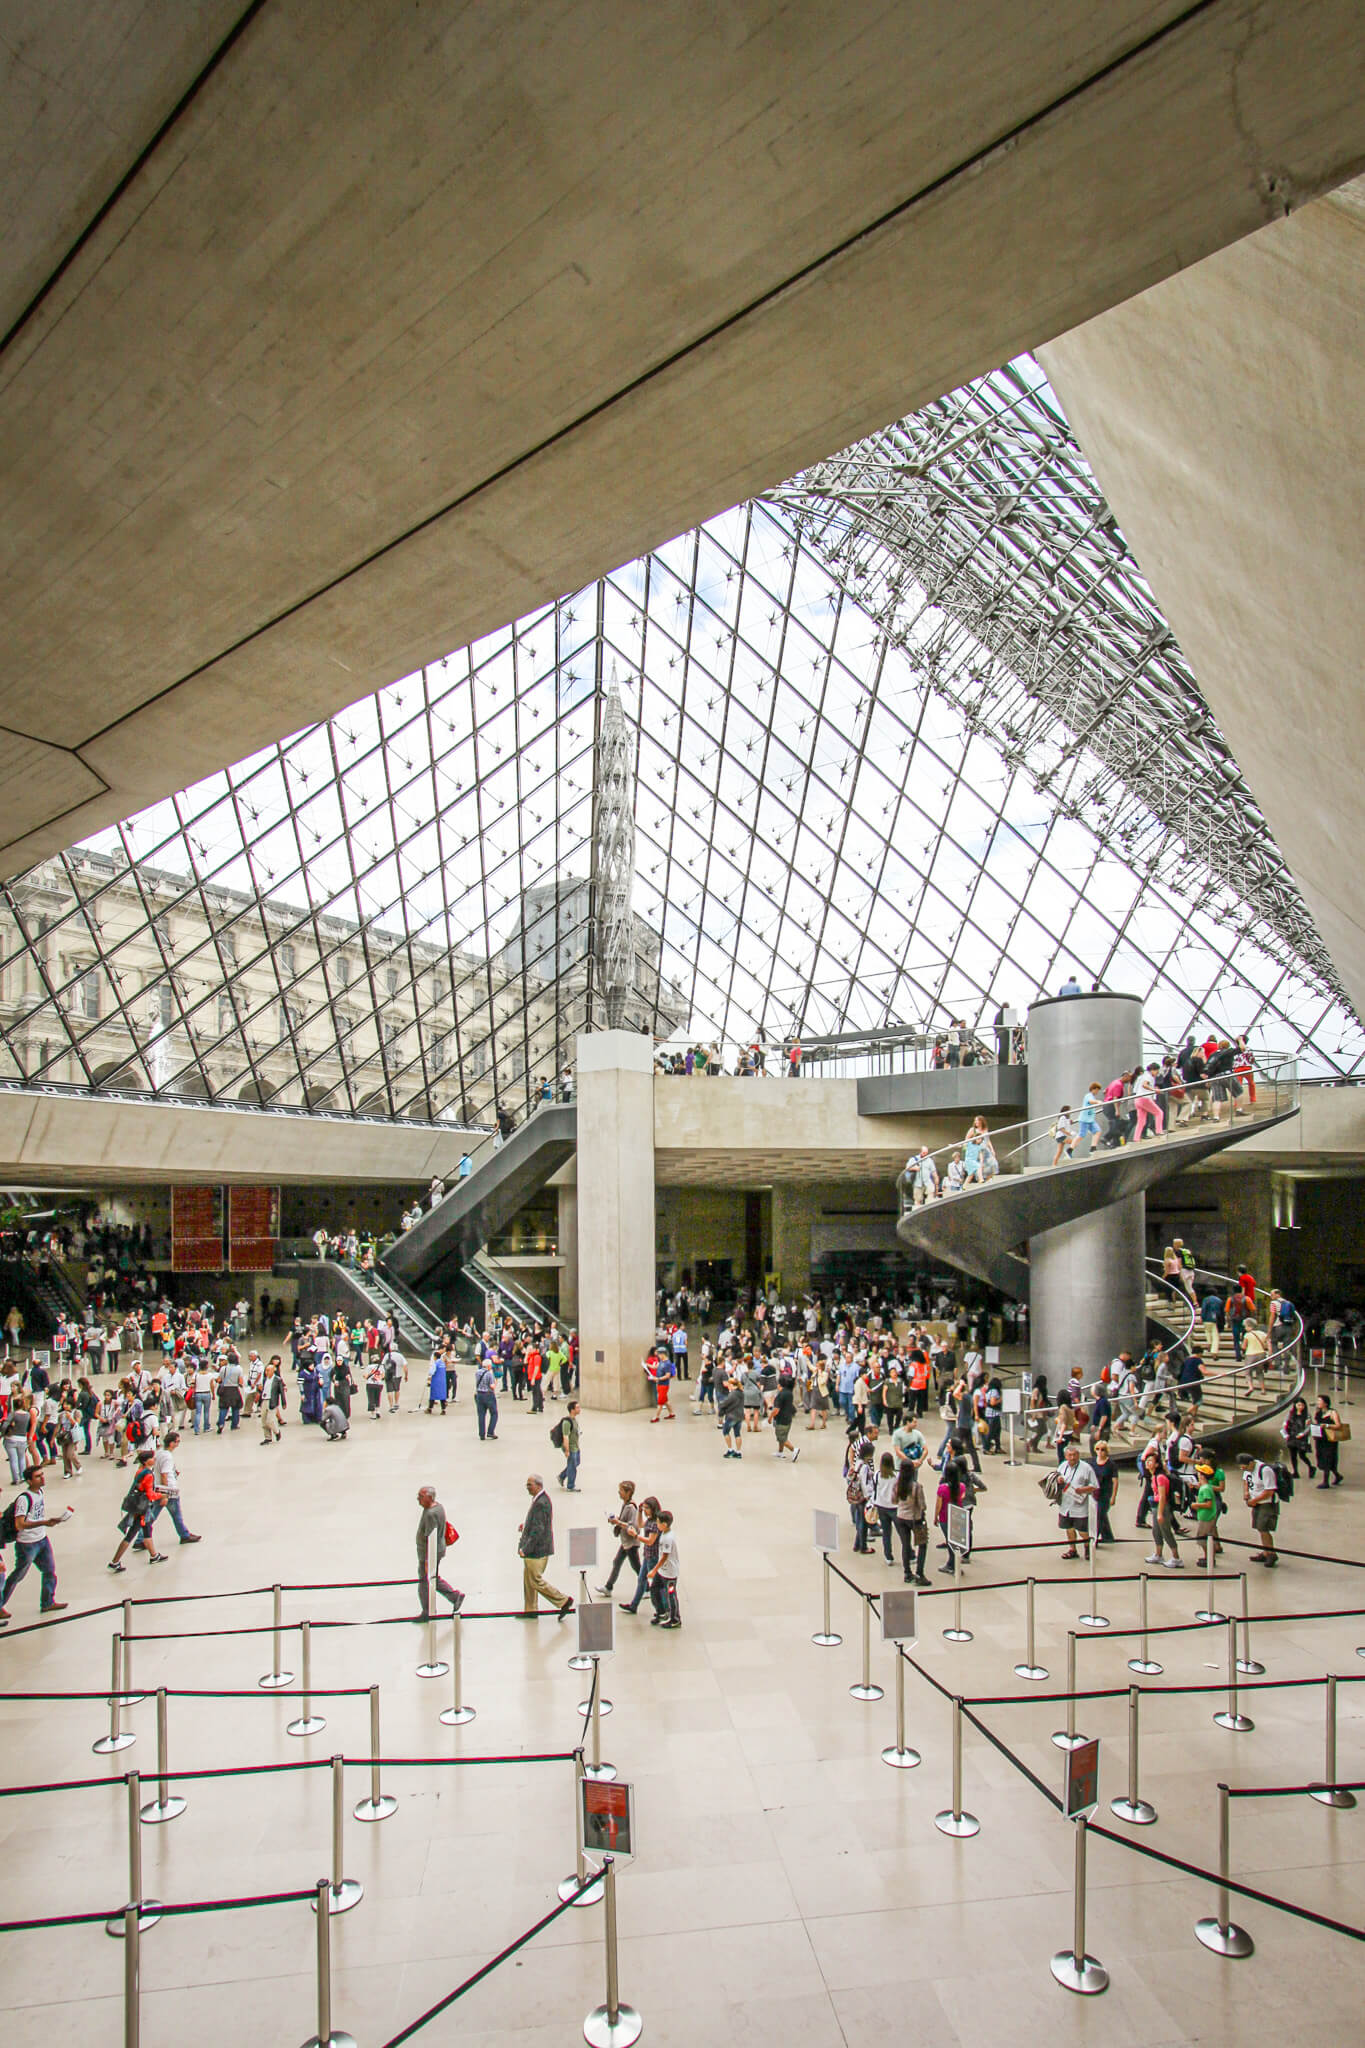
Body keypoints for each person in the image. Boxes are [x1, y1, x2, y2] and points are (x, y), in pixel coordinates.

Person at [0, 1464, 72, 1617]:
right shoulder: (24, 1500)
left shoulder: (39, 1492)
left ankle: (47, 1602)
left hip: (42, 1539)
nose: (42, 1478)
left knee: (49, 1571)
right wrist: (44, 1522)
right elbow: (20, 1524)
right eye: (38, 1476)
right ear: (29, 1481)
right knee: (18, 1575)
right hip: (27, 1544)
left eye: (42, 1474)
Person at [517, 1474, 572, 1617]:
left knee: (535, 1581)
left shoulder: (541, 1502)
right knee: (528, 1582)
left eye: (530, 1484)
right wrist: (526, 1526)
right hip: (536, 1549)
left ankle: (563, 1600)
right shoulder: (540, 1500)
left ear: (538, 1485)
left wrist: (525, 1548)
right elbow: (537, 1523)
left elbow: (539, 1529)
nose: (527, 1487)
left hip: (537, 1551)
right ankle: (530, 1611)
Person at [108, 1446, 167, 1569]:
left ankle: (153, 1555)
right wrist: (162, 1495)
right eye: (152, 1457)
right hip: (142, 1509)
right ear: (146, 1461)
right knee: (131, 1534)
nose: (154, 1459)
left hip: (139, 1507)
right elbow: (150, 1494)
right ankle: (115, 1561)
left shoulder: (140, 1471)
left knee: (147, 1530)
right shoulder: (149, 1475)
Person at [415, 1485, 464, 1618]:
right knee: (432, 1578)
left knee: (427, 1580)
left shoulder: (430, 1514)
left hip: (430, 1553)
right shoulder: (438, 1507)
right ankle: (451, 1598)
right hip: (437, 1550)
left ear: (429, 1498)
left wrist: (426, 1560)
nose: (418, 1499)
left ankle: (429, 1609)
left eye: (420, 1496)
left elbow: (431, 1537)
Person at [151, 1432, 201, 1544]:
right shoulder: (168, 1457)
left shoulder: (159, 1453)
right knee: (176, 1514)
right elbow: (164, 1474)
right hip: (169, 1490)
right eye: (177, 1441)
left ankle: (141, 1538)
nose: (178, 1444)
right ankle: (184, 1535)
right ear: (171, 1443)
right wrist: (166, 1493)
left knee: (154, 1513)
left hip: (159, 1488)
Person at [597, 1480, 641, 1596]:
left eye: (621, 1490)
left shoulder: (631, 1508)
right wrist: (616, 1520)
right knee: (617, 1562)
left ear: (628, 1492)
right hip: (626, 1542)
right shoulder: (625, 1505)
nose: (619, 1492)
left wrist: (617, 1522)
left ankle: (647, 1588)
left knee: (637, 1567)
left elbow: (632, 1525)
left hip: (631, 1543)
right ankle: (608, 1587)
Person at [1056, 1440, 1098, 1560]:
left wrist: (1083, 1489)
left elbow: (1094, 1485)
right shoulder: (1062, 1466)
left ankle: (1087, 1548)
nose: (1072, 1457)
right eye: (1070, 1455)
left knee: (1082, 1530)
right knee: (1069, 1528)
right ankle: (1072, 1549)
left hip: (1080, 1506)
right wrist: (1058, 1479)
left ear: (1078, 1455)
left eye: (1075, 1455)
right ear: (1066, 1456)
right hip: (1065, 1505)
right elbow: (1056, 1478)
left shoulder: (1086, 1468)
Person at [1240, 1453, 1280, 1567]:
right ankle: (1266, 1551)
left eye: (1245, 1467)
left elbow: (1269, 1491)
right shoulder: (1247, 1469)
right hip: (1256, 1503)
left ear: (1251, 1463)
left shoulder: (1265, 1470)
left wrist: (1255, 1500)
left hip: (1266, 1504)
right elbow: (1245, 1480)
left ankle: (1271, 1553)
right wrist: (1246, 1492)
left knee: (1264, 1528)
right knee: (1259, 1528)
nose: (1243, 1469)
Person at [893, 1459, 929, 1583]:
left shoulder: (897, 1484)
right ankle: (919, 1573)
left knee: (905, 1545)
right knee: (922, 1544)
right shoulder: (916, 1486)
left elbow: (893, 1500)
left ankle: (907, 1573)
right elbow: (922, 1505)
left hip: (901, 1517)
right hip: (915, 1518)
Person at [647, 1509, 681, 1626]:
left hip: (669, 1573)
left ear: (665, 1524)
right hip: (662, 1572)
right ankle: (661, 1612)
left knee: (671, 1594)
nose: (656, 1525)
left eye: (658, 1522)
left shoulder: (668, 1538)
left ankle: (675, 1619)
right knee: (654, 1589)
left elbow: (664, 1557)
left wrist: (654, 1570)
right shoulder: (664, 1533)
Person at [1312, 1394, 1346, 1487]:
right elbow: (1317, 1423)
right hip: (1320, 1439)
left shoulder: (1332, 1412)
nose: (1318, 1402)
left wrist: (1327, 1425)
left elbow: (1338, 1425)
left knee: (1328, 1458)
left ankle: (1325, 1481)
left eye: (1320, 1401)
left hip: (1330, 1440)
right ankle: (1337, 1475)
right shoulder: (1318, 1413)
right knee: (1321, 1457)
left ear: (1325, 1403)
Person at [1281, 1395, 1316, 1481]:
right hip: (1292, 1436)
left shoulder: (1307, 1415)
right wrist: (1286, 1434)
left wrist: (1303, 1434)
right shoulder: (1290, 1413)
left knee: (1302, 1455)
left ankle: (1311, 1467)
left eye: (1302, 1405)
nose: (1300, 1407)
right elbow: (1285, 1423)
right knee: (1293, 1455)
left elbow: (1308, 1427)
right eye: (1299, 1405)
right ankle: (1295, 1471)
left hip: (1301, 1437)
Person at [769, 1373, 800, 1462]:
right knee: (783, 1435)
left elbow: (776, 1410)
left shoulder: (781, 1395)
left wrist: (770, 1417)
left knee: (781, 1437)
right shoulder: (789, 1393)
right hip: (788, 1418)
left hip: (781, 1419)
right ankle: (780, 1451)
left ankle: (793, 1450)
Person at [718, 1371, 744, 1459]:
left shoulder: (732, 1394)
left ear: (732, 1385)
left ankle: (730, 1450)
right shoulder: (741, 1393)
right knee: (737, 1433)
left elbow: (725, 1404)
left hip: (731, 1416)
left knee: (725, 1432)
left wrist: (721, 1407)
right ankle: (738, 1451)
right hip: (739, 1416)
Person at [557, 1400, 582, 1491]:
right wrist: (567, 1450)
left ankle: (562, 1476)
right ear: (572, 1410)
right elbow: (565, 1437)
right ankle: (570, 1486)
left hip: (576, 1446)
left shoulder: (574, 1420)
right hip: (571, 1447)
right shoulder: (567, 1423)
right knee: (572, 1467)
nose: (579, 1409)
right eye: (577, 1408)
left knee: (576, 1463)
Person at [474, 1355, 499, 1441]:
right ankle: (490, 1431)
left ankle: (481, 1434)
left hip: (479, 1394)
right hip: (488, 1395)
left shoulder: (477, 1372)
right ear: (489, 1366)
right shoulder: (489, 1374)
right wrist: (496, 1382)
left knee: (481, 1415)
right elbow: (492, 1386)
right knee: (494, 1413)